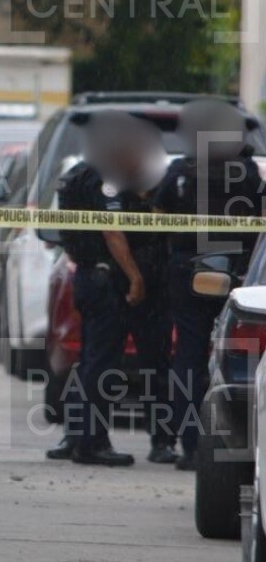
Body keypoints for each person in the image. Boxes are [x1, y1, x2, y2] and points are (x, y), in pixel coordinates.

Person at [46, 111, 176, 467]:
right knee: (111, 364)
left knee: (94, 361)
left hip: (97, 277)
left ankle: (78, 436)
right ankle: (93, 443)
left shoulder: (80, 174)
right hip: (119, 282)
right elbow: (112, 231)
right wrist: (135, 277)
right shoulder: (108, 179)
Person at [154, 97, 265, 470]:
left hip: (190, 273)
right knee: (240, 360)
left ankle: (188, 446)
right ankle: (232, 446)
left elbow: (158, 216)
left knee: (187, 358)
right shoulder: (248, 173)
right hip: (236, 277)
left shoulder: (182, 172)